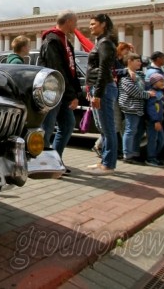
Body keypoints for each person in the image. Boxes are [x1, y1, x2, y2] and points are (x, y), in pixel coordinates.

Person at [39, 11, 83, 173]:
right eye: (75, 22)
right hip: (53, 92)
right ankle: (42, 163)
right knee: (47, 127)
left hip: (63, 92)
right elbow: (57, 70)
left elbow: (71, 69)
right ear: (69, 21)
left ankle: (55, 160)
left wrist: (75, 92)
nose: (76, 26)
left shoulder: (64, 40)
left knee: (68, 124)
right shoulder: (52, 40)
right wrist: (71, 95)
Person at [85, 14, 118, 175]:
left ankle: (109, 165)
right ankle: (104, 160)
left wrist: (97, 93)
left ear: (103, 24)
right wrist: (90, 90)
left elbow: (104, 69)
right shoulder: (100, 42)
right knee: (102, 128)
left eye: (93, 24)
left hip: (103, 89)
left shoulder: (104, 43)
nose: (90, 26)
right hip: (98, 88)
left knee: (108, 128)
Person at [118, 53, 155, 164]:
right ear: (129, 61)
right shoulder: (126, 76)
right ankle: (127, 155)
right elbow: (133, 91)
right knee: (130, 130)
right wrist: (148, 94)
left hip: (138, 107)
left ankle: (134, 152)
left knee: (138, 131)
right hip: (130, 106)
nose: (140, 63)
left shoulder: (138, 75)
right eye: (137, 60)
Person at [145, 73, 164, 167]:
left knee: (161, 140)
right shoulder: (153, 93)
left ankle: (154, 157)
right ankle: (151, 158)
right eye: (161, 81)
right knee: (153, 139)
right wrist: (155, 121)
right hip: (153, 121)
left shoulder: (160, 91)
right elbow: (151, 108)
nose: (163, 83)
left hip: (159, 120)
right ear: (154, 83)